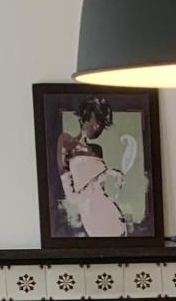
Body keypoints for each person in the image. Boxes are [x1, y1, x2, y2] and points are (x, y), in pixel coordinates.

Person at [55, 98, 137, 237]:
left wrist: (114, 177)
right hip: (93, 216)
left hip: (111, 213)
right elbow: (72, 197)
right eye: (97, 120)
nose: (99, 127)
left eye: (102, 123)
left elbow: (102, 189)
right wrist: (106, 174)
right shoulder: (66, 142)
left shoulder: (97, 149)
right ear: (83, 118)